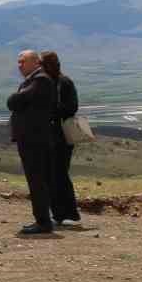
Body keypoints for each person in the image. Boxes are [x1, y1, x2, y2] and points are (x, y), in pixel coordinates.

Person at [6, 49, 58, 236]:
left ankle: (43, 222)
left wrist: (14, 98)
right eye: (18, 62)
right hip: (31, 139)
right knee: (36, 180)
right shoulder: (34, 80)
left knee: (37, 181)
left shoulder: (40, 80)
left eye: (23, 61)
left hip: (34, 139)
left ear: (36, 62)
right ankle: (42, 219)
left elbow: (14, 101)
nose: (20, 65)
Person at [39, 51, 82, 228]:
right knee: (49, 175)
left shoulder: (64, 82)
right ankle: (57, 213)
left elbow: (72, 107)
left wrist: (51, 110)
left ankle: (68, 212)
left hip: (62, 137)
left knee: (60, 174)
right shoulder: (44, 83)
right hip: (47, 136)